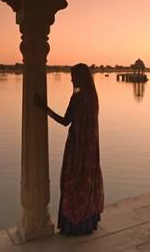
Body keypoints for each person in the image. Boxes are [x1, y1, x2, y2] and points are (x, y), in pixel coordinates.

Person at [34, 63, 104, 236]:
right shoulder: (93, 98)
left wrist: (45, 109)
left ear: (81, 78)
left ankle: (73, 224)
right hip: (90, 149)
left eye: (73, 76)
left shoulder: (78, 98)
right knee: (86, 182)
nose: (71, 79)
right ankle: (88, 221)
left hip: (77, 147)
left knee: (73, 182)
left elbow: (66, 121)